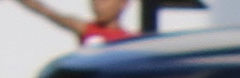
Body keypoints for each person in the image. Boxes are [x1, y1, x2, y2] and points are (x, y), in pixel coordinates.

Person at [11, 0, 144, 43]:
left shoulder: (133, 41)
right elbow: (48, 12)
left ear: (124, 3)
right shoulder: (88, 29)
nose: (98, 5)